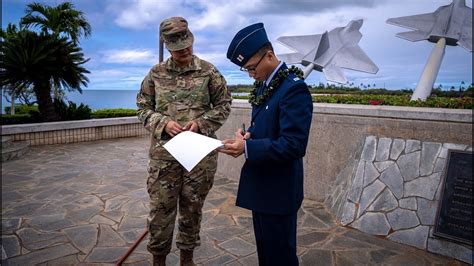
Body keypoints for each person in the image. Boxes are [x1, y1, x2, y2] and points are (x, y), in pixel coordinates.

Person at [136, 16, 232, 266]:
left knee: (192, 211)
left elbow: (224, 105)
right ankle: (159, 260)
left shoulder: (209, 71)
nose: (185, 51)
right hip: (164, 158)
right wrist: (162, 122)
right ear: (167, 46)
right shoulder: (156, 73)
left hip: (199, 157)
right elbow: (142, 108)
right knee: (161, 212)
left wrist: (200, 123)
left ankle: (186, 260)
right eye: (178, 48)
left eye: (187, 44)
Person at [219, 23, 313, 266]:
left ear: (269, 55)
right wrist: (247, 136)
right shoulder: (265, 85)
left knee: (280, 256)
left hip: (279, 189)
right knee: (266, 254)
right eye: (246, 70)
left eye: (252, 68)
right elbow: (266, 125)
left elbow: (294, 144)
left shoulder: (294, 88)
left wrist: (247, 149)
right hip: (262, 185)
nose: (251, 74)